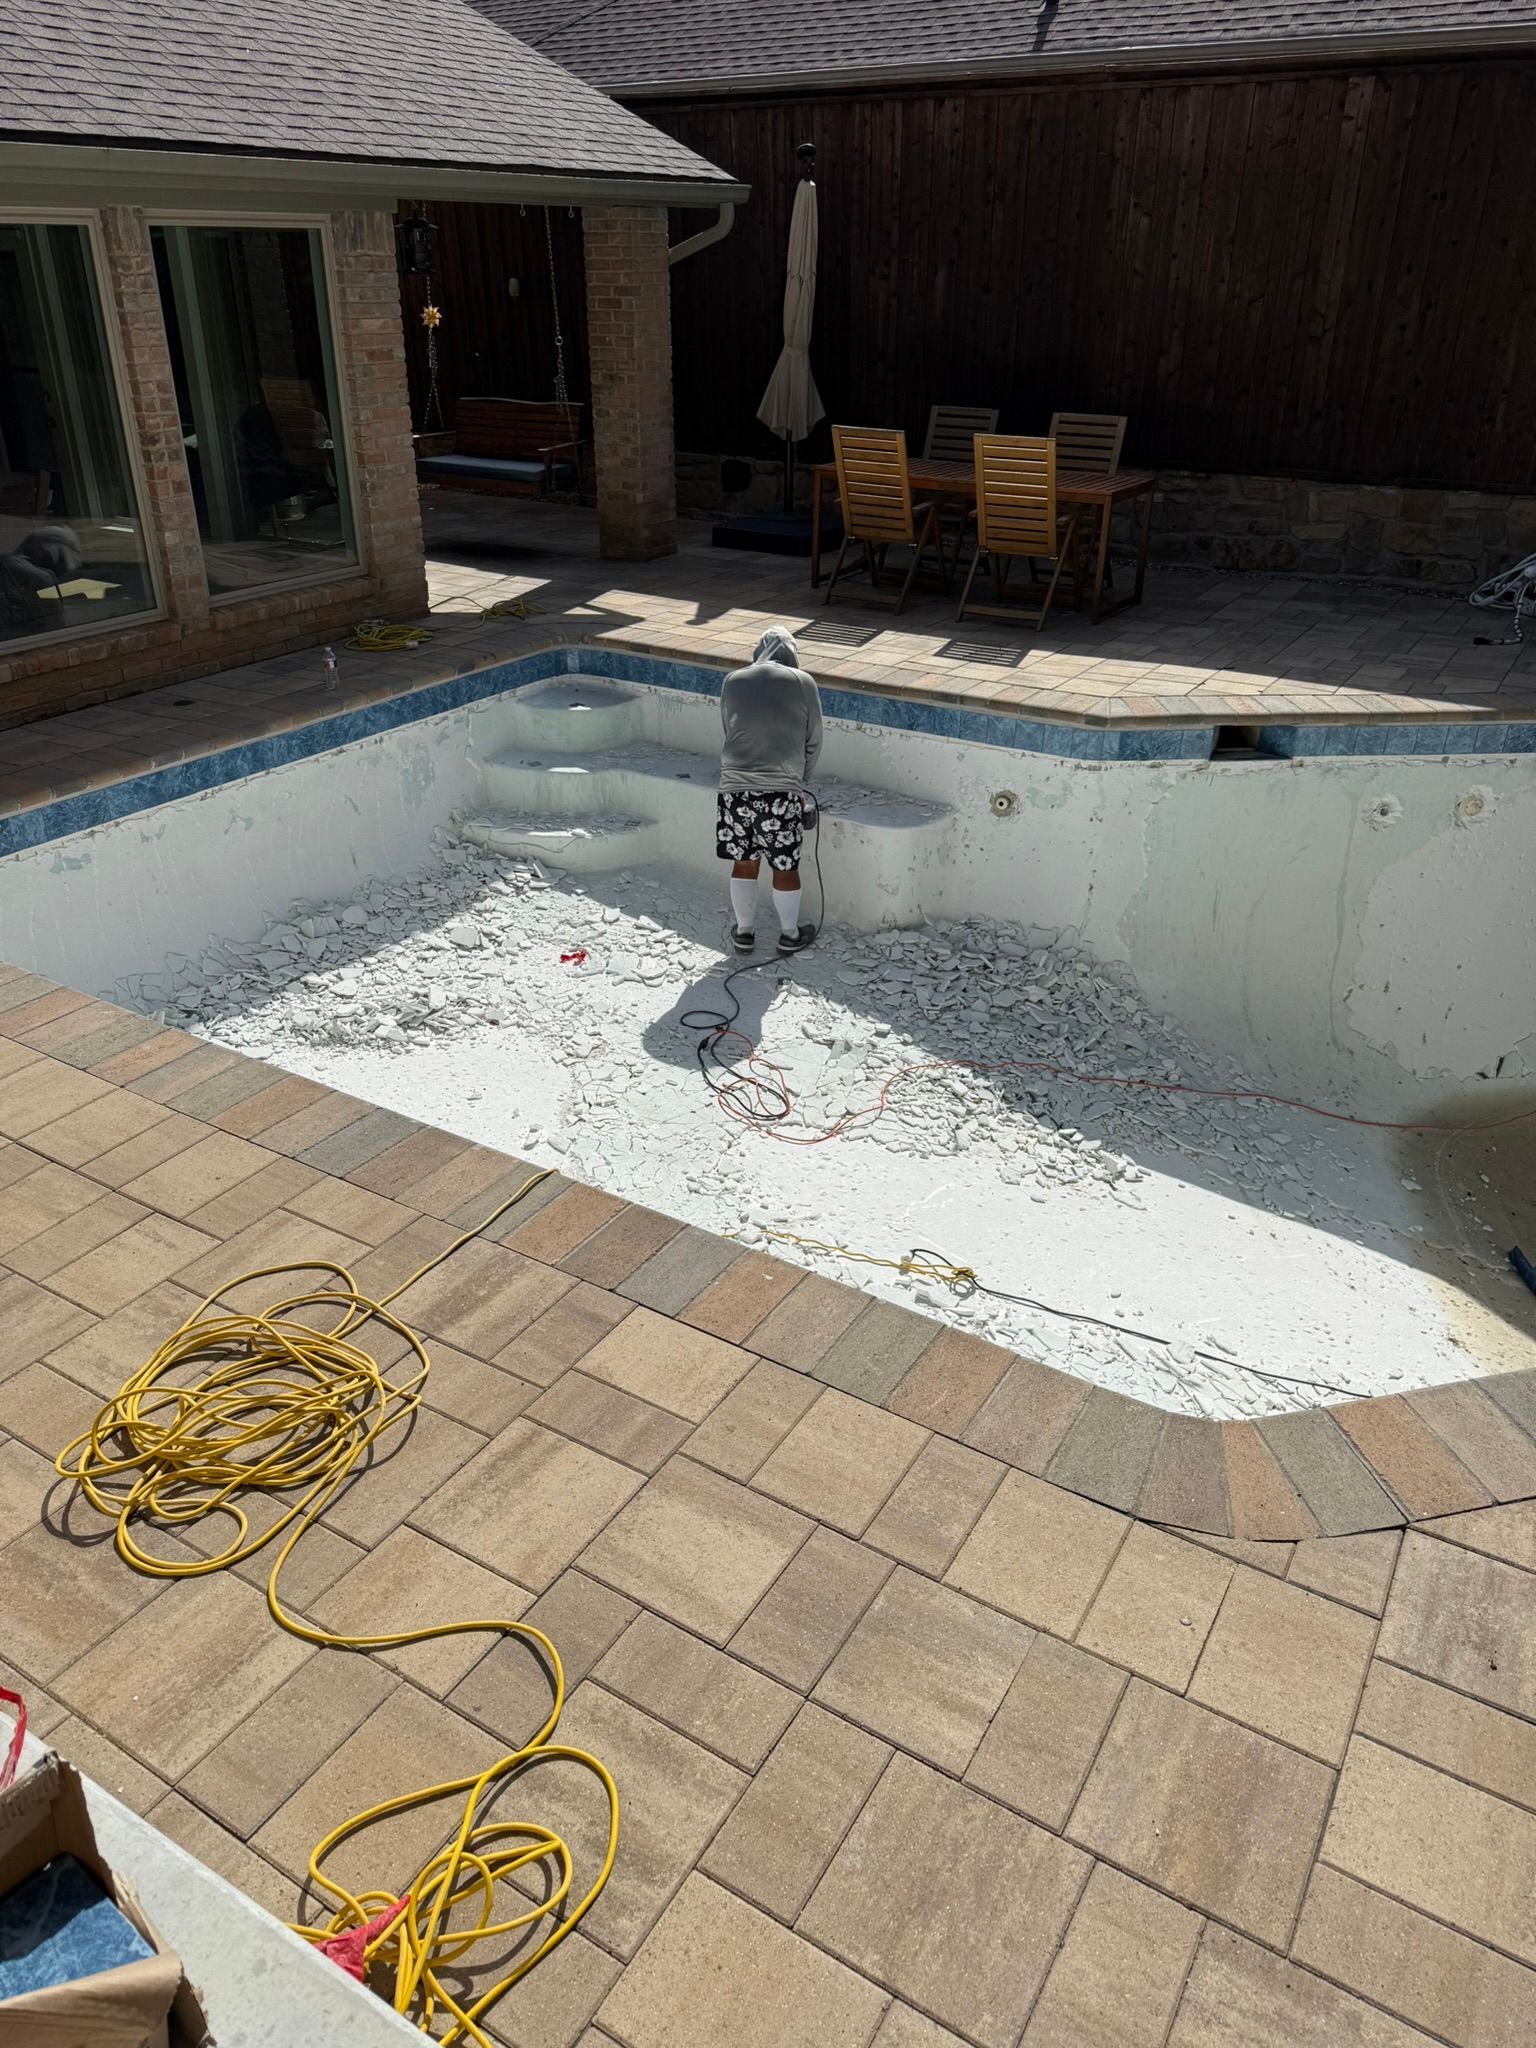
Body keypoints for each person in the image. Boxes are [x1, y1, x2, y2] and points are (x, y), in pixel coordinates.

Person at [717, 625, 823, 956]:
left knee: (743, 862)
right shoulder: (802, 681)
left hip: (734, 789)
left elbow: (729, 728)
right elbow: (814, 739)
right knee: (784, 865)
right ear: (791, 653)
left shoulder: (733, 679)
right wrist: (799, 782)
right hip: (781, 791)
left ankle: (744, 933)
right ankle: (789, 935)